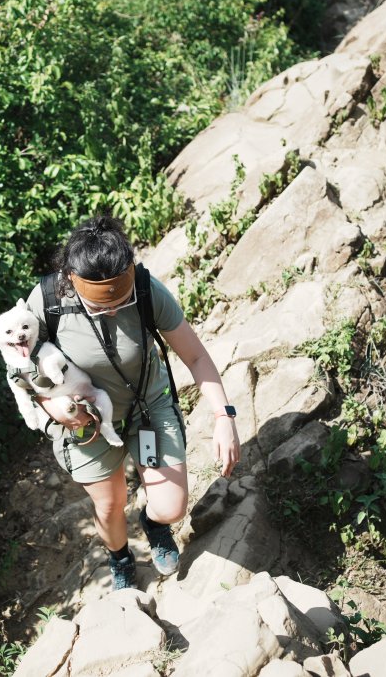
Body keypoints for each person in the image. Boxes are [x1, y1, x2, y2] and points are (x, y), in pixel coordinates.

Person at [25, 215, 240, 590]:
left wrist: (224, 415)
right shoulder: (46, 300)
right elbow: (20, 369)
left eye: (119, 302)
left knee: (171, 507)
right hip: (88, 425)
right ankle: (120, 556)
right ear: (72, 282)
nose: (111, 311)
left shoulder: (144, 288)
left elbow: (197, 357)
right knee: (110, 505)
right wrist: (49, 404)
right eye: (99, 307)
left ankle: (154, 524)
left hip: (145, 412)